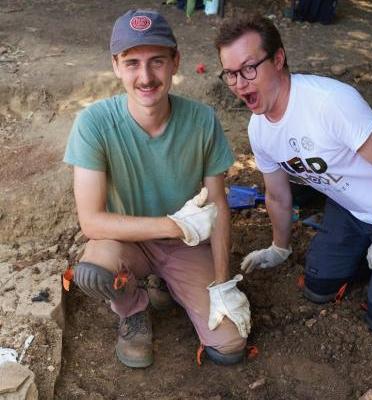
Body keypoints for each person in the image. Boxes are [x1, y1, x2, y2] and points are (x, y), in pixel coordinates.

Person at [63, 9, 250, 368]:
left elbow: (219, 207)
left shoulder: (202, 120)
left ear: (175, 62)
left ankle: (169, 283)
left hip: (186, 245)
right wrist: (173, 225)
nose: (145, 77)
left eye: (157, 61)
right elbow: (91, 222)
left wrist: (223, 283)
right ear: (116, 65)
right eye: (132, 63)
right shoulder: (93, 124)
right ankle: (132, 308)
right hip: (126, 243)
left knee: (229, 347)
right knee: (93, 270)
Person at [215, 14, 372, 336]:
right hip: (351, 209)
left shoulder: (329, 102)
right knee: (318, 287)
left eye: (248, 68)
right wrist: (279, 246)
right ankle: (368, 259)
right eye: (230, 74)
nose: (240, 84)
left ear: (278, 59)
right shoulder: (259, 129)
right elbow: (277, 194)